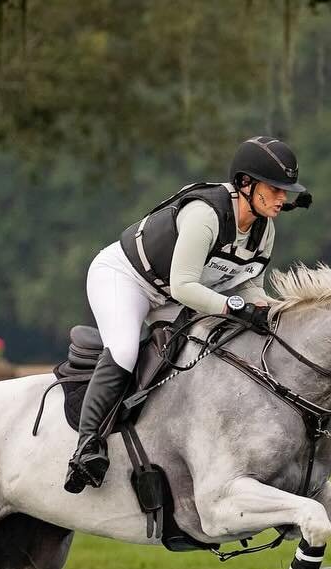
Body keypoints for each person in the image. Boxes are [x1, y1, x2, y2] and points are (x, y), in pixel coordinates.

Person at [64, 136, 311, 494]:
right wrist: (232, 307)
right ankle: (88, 445)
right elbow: (183, 287)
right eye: (274, 189)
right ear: (245, 183)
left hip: (169, 293)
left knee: (200, 350)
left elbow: (247, 284)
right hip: (126, 277)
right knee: (125, 349)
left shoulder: (264, 229)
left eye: (284, 191)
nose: (282, 198)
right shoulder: (206, 215)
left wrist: (269, 311)